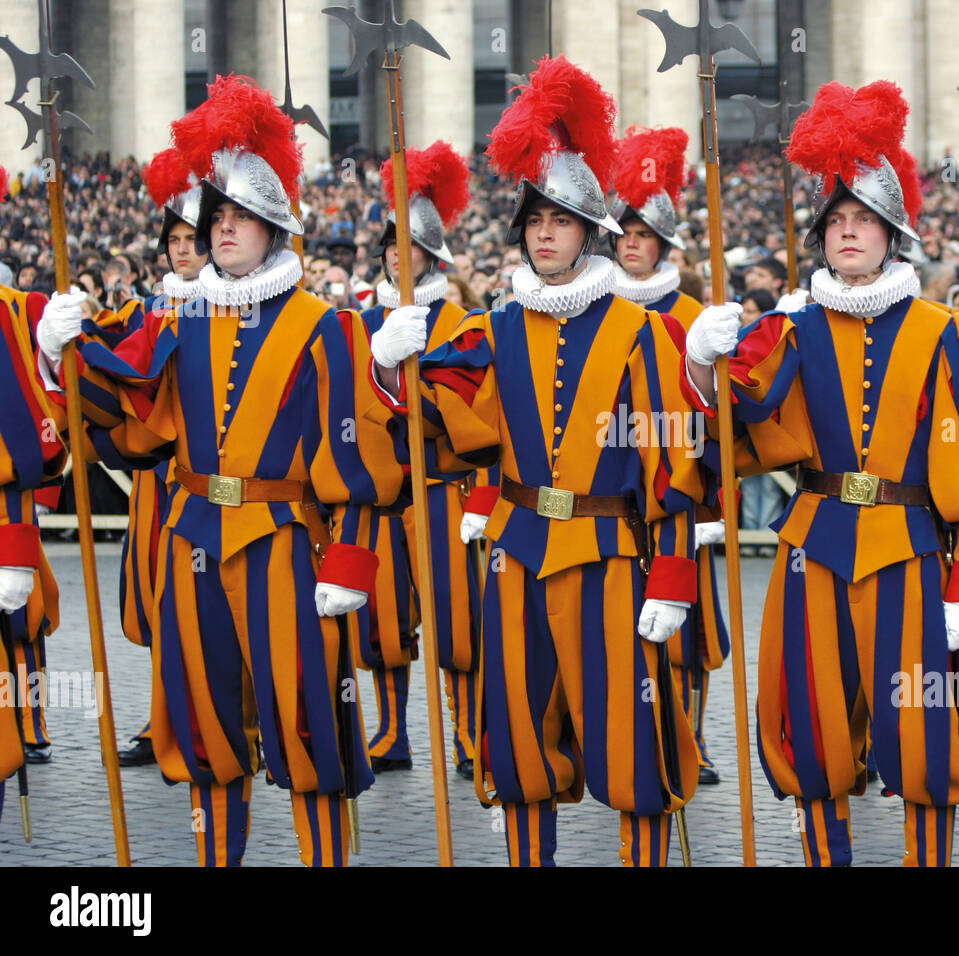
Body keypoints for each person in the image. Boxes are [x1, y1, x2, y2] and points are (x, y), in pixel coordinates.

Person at [36, 75, 402, 866]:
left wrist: (349, 561)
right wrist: (62, 351)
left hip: (285, 544)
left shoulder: (324, 327)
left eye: (242, 218)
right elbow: (133, 418)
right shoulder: (179, 315)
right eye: (218, 217)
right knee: (205, 727)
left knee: (309, 724)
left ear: (275, 229)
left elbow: (360, 457)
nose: (225, 229)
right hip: (193, 537)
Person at [684, 81, 959, 866]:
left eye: (863, 221)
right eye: (835, 221)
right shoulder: (790, 328)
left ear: (891, 234)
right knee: (814, 724)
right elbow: (731, 424)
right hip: (815, 544)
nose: (848, 232)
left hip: (911, 552)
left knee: (920, 729)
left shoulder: (948, 333)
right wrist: (702, 364)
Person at [372, 57, 704, 866]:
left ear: (588, 232)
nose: (544, 232)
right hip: (517, 555)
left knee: (630, 744)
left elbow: (671, 465)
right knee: (517, 739)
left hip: (609, 555)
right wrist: (390, 370)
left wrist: (671, 577)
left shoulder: (641, 333)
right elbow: (447, 428)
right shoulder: (498, 328)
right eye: (533, 221)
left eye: (560, 220)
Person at [340, 140, 486, 778]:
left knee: (459, 624)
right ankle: (393, 730)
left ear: (434, 255)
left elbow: (468, 410)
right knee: (381, 622)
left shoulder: (463, 322)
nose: (399, 258)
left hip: (443, 491)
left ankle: (468, 732)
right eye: (390, 248)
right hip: (384, 490)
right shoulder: (360, 323)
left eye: (412, 249)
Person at [608, 124, 729, 785]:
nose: (632, 242)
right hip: (618, 483)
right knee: (629, 617)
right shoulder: (596, 309)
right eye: (623, 233)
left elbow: (718, 416)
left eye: (643, 235)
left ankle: (696, 739)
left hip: (683, 485)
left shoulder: (692, 313)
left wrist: (711, 496)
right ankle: (643, 729)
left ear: (662, 244)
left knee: (691, 625)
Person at [115, 146, 210, 767]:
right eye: (172, 238)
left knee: (203, 611)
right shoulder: (145, 310)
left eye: (191, 237)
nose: (181, 249)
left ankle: (212, 718)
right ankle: (160, 719)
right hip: (156, 482)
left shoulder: (231, 309)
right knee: (157, 601)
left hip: (201, 483)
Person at [0, 166, 64, 808]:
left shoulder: (18, 312)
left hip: (3, 503)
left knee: (20, 621)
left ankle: (30, 720)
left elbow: (37, 425)